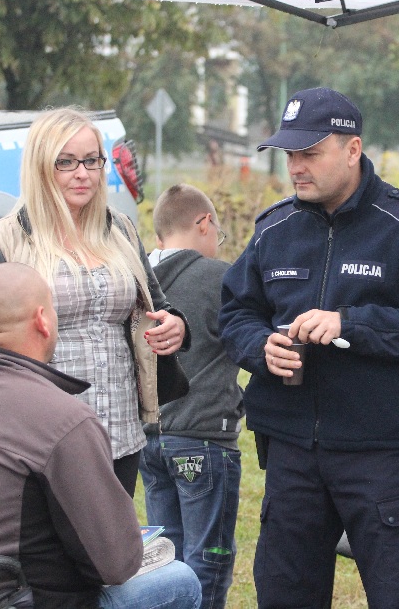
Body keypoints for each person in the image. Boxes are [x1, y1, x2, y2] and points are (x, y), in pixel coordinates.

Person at [219, 87, 399, 608]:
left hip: (382, 452)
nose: (296, 168)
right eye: (290, 155)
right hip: (290, 452)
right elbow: (235, 312)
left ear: (353, 149)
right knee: (285, 596)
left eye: (310, 154)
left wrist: (352, 324)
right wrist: (260, 349)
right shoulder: (275, 229)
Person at [0, 262, 201, 609]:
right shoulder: (62, 419)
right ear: (43, 319)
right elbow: (116, 564)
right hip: (19, 599)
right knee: (180, 581)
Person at [0, 107, 189, 497]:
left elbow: (157, 307)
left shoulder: (121, 230)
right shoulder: (0, 241)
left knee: (109, 551)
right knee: (52, 554)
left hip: (120, 433)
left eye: (92, 160)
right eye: (66, 162)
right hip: (42, 438)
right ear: (40, 166)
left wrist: (175, 327)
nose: (83, 173)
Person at [139, 183, 244, 609]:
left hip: (150, 439)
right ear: (205, 224)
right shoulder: (220, 278)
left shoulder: (138, 278)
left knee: (166, 560)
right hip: (204, 436)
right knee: (209, 560)